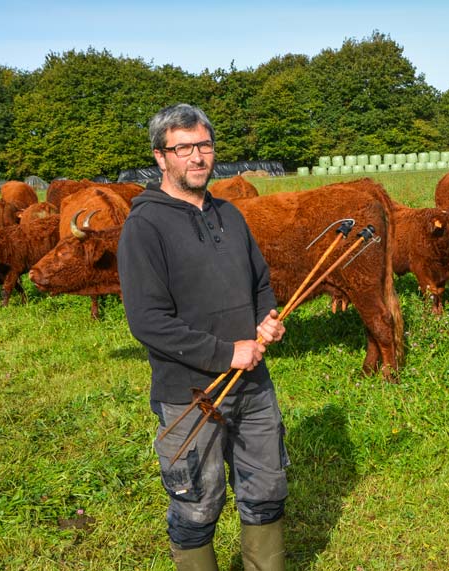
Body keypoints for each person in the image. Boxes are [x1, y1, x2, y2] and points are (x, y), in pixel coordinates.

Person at [117, 103, 288, 570]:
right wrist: (224, 352)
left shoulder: (230, 215)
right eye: (184, 148)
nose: (197, 157)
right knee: (197, 501)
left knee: (267, 488)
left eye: (205, 145)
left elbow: (259, 281)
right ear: (160, 157)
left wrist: (265, 319)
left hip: (253, 383)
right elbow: (148, 321)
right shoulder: (144, 227)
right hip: (191, 393)